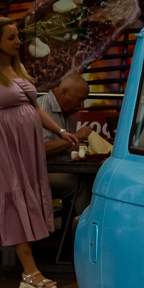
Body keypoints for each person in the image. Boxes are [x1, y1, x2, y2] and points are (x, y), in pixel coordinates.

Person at [0, 17, 77, 288]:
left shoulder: (18, 69)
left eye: (18, 36)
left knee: (5, 198)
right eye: (11, 38)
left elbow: (35, 109)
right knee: (12, 199)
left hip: (22, 149)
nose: (18, 41)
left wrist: (60, 131)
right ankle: (30, 273)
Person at [41, 70, 94, 218]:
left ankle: (74, 228)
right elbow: (42, 149)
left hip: (61, 167)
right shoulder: (43, 108)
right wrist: (75, 136)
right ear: (64, 93)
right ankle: (85, 229)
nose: (82, 105)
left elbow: (66, 145)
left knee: (94, 178)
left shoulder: (66, 113)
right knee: (80, 184)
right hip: (41, 172)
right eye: (79, 100)